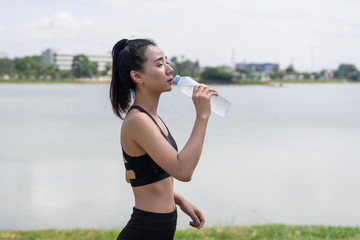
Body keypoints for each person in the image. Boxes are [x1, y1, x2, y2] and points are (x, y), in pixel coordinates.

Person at [110, 38, 218, 240]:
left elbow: (135, 175)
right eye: (160, 64)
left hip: (158, 229)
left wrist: (178, 200)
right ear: (137, 76)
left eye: (167, 62)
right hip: (145, 231)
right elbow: (183, 171)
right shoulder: (138, 121)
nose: (169, 69)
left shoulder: (151, 118)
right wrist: (202, 116)